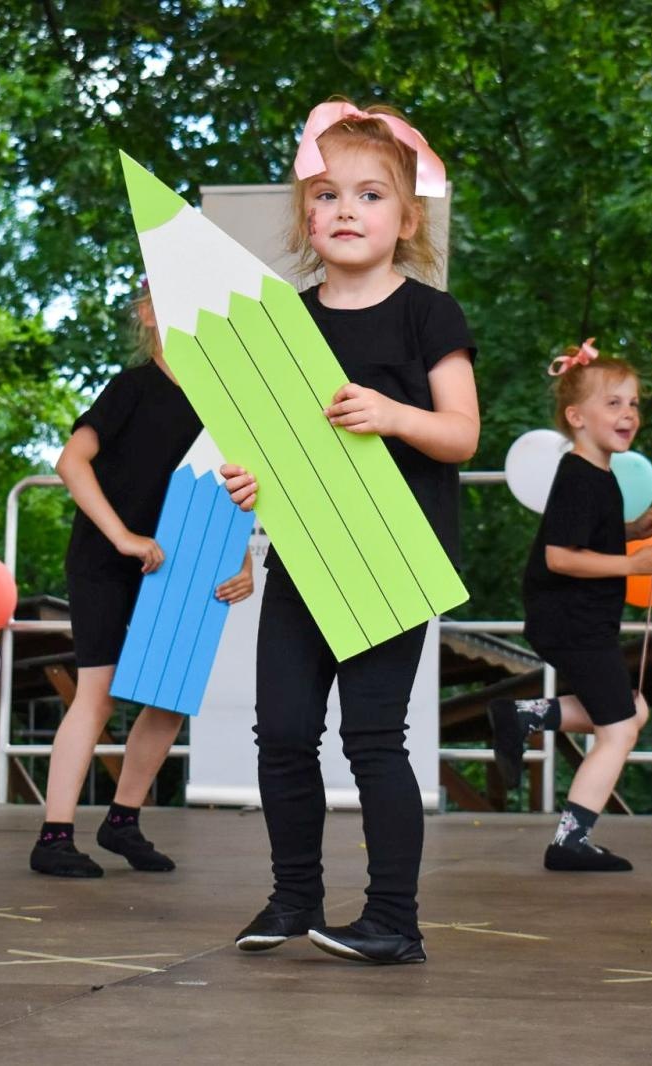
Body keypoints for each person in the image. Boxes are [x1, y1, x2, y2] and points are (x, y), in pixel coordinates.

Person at [222, 100, 479, 964]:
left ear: (408, 219)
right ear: (306, 214)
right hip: (305, 553)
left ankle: (394, 922)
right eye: (327, 194)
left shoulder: (429, 316)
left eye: (370, 195)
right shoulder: (284, 320)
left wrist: (392, 414)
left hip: (394, 557)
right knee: (283, 730)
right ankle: (294, 898)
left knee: (374, 738)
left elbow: (462, 435)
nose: (345, 210)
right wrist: (254, 482)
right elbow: (278, 448)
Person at [30, 288, 253, 878]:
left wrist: (244, 562)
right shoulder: (129, 388)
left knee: (170, 695)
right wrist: (123, 536)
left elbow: (239, 493)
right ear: (148, 312)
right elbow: (69, 462)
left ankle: (122, 820)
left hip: (183, 562)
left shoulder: (226, 406)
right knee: (97, 693)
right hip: (106, 558)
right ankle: (54, 836)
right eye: (166, 295)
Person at [488, 341, 652, 871]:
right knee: (620, 727)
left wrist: (635, 531)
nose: (628, 414)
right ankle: (570, 840)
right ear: (577, 417)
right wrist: (633, 566)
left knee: (632, 709)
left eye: (633, 403)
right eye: (613, 403)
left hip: (581, 621)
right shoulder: (577, 477)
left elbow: (593, 539)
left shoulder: (599, 475)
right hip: (571, 621)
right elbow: (561, 557)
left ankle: (521, 715)